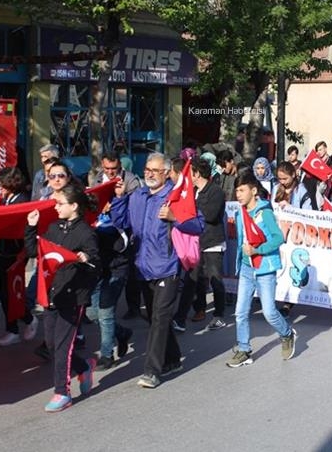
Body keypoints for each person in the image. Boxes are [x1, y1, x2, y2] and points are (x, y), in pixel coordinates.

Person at [110, 152, 205, 388]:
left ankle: (152, 370)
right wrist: (120, 199)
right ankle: (173, 359)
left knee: (160, 319)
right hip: (143, 267)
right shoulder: (138, 195)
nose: (150, 174)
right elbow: (121, 223)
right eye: (147, 170)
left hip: (168, 266)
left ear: (166, 173)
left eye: (155, 170)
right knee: (155, 318)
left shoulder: (177, 195)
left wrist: (176, 218)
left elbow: (199, 224)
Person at [25, 184, 100, 412]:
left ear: (74, 206)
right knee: (51, 343)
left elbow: (96, 264)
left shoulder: (86, 233)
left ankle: (62, 392)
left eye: (59, 204)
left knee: (62, 347)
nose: (55, 207)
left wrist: (85, 258)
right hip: (52, 294)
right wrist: (30, 228)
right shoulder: (53, 227)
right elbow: (34, 252)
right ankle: (84, 366)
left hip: (73, 297)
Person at [227, 172, 297, 367]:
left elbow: (277, 238)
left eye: (242, 190)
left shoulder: (264, 212)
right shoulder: (240, 213)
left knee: (269, 312)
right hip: (247, 269)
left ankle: (287, 333)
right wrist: (241, 262)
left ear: (254, 190)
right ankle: (243, 349)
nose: (238, 195)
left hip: (265, 268)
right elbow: (242, 240)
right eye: (236, 191)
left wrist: (257, 249)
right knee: (240, 312)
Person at [86, 153, 137, 369]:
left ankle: (107, 354)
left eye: (114, 168)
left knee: (106, 310)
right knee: (93, 313)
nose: (110, 172)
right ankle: (122, 333)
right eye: (107, 168)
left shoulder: (131, 182)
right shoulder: (97, 181)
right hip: (99, 256)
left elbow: (131, 215)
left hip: (119, 256)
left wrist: (118, 200)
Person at [174, 160, 227, 331]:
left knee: (214, 279)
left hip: (212, 242)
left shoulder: (215, 191)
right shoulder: (192, 191)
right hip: (195, 242)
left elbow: (211, 215)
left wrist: (192, 211)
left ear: (196, 174)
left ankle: (219, 314)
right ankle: (188, 314)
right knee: (192, 280)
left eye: (190, 173)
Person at [0, 167, 38, 346]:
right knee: (4, 293)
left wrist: (23, 253)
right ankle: (18, 324)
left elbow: (24, 228)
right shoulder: (5, 199)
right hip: (4, 249)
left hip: (15, 252)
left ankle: (21, 323)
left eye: (2, 184)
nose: (0, 187)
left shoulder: (21, 201)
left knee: (11, 293)